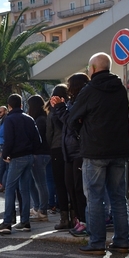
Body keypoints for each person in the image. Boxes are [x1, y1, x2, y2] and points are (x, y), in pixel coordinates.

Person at [55, 53, 129, 255]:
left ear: (93, 69)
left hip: (95, 150)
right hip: (120, 149)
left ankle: (97, 243)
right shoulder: (121, 89)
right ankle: (122, 241)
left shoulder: (90, 90)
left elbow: (72, 119)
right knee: (118, 198)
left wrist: (61, 108)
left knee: (95, 198)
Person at [0, 94, 41, 234]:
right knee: (25, 190)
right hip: (29, 156)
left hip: (16, 158)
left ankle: (7, 223)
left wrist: (6, 156)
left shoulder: (10, 119)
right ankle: (25, 222)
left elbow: (9, 140)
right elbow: (37, 139)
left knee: (10, 188)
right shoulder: (29, 119)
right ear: (21, 105)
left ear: (9, 106)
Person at [53, 74, 89, 236]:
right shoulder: (70, 103)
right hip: (68, 151)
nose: (67, 88)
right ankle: (78, 219)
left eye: (69, 85)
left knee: (79, 188)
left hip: (79, 151)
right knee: (70, 187)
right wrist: (59, 108)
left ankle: (84, 221)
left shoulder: (82, 101)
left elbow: (72, 122)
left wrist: (60, 108)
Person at [47, 84, 71, 230]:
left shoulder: (52, 112)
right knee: (73, 184)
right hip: (71, 148)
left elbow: (49, 134)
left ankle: (64, 218)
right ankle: (77, 217)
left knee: (60, 185)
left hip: (57, 149)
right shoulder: (71, 108)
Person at [27, 95, 50, 222]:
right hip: (43, 154)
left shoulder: (39, 120)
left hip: (39, 154)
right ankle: (37, 207)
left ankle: (42, 210)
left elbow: (37, 139)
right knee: (33, 183)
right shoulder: (42, 118)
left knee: (40, 183)